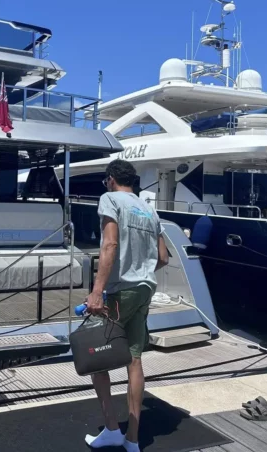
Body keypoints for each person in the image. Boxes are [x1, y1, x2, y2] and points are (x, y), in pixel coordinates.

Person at [84, 159, 169, 452]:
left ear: (110, 179)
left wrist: (97, 292)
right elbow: (163, 257)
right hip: (145, 289)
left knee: (96, 357)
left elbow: (109, 244)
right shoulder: (148, 208)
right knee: (134, 360)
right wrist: (141, 272)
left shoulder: (110, 199)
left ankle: (111, 429)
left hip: (120, 291)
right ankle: (132, 439)